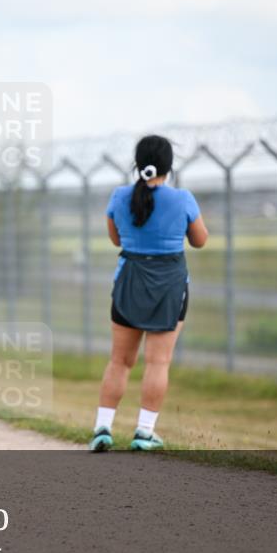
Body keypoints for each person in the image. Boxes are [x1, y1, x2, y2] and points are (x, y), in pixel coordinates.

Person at [89, 135, 208, 452]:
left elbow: (116, 239)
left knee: (119, 361)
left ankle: (102, 428)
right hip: (169, 286)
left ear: (137, 163)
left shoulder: (119, 196)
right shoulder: (182, 199)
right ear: (169, 166)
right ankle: (144, 432)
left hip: (128, 282)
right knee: (158, 362)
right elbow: (200, 240)